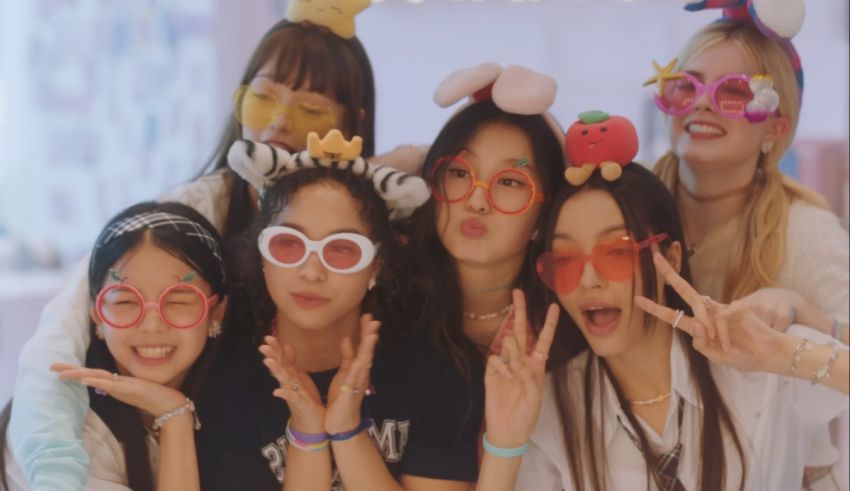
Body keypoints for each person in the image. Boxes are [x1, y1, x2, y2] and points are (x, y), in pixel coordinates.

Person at [6, 2, 403, 488]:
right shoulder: (195, 211)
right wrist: (53, 465)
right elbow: (56, 342)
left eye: (311, 108)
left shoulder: (386, 232)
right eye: (262, 98)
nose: (279, 122)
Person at [514, 161, 847, 490]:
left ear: (671, 259)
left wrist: (779, 351)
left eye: (616, 252)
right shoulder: (550, 413)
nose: (588, 280)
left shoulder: (758, 364)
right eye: (565, 260)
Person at [195, 131, 480, 490]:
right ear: (262, 255)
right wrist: (307, 433)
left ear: (376, 267)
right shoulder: (223, 387)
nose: (312, 272)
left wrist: (347, 432)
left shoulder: (438, 373)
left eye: (342, 249)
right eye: (288, 244)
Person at [647, 9, 850, 485]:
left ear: (775, 130)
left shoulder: (806, 232)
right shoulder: (632, 210)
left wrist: (801, 313)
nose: (702, 104)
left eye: (734, 93)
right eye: (685, 86)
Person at [2, 201, 229, 490]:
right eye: (124, 301)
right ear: (97, 315)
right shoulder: (69, 431)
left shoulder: (244, 396)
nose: (151, 324)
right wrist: (175, 418)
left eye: (177, 301)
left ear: (217, 313)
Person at [403, 63, 566, 377]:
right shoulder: (385, 297)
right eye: (460, 172)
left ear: (547, 212)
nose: (476, 202)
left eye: (510, 182)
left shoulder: (564, 327)